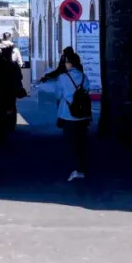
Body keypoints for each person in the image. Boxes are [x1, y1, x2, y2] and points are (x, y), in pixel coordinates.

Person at [40, 51, 90, 181]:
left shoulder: (63, 77)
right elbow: (87, 91)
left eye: (66, 62)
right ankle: (81, 167)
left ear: (70, 63)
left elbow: (58, 95)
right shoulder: (84, 77)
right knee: (81, 141)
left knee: (72, 143)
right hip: (83, 115)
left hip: (68, 114)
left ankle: (76, 168)